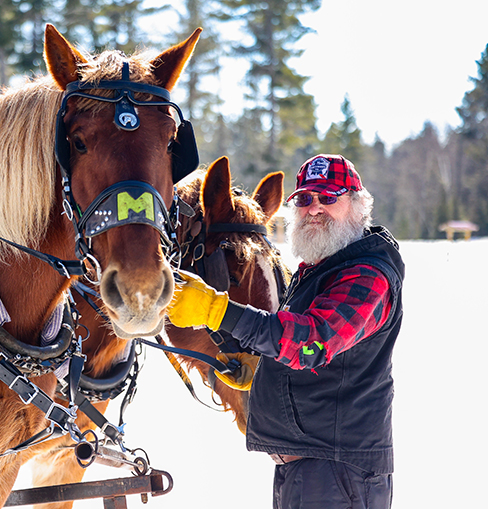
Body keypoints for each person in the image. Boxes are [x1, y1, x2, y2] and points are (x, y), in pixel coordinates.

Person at [169, 154, 404, 509]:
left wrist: (215, 310)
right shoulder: (319, 271)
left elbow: (311, 344)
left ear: (357, 205)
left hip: (339, 473)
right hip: (309, 467)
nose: (314, 209)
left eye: (329, 198)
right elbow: (288, 343)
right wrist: (262, 373)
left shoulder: (368, 275)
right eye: (306, 199)